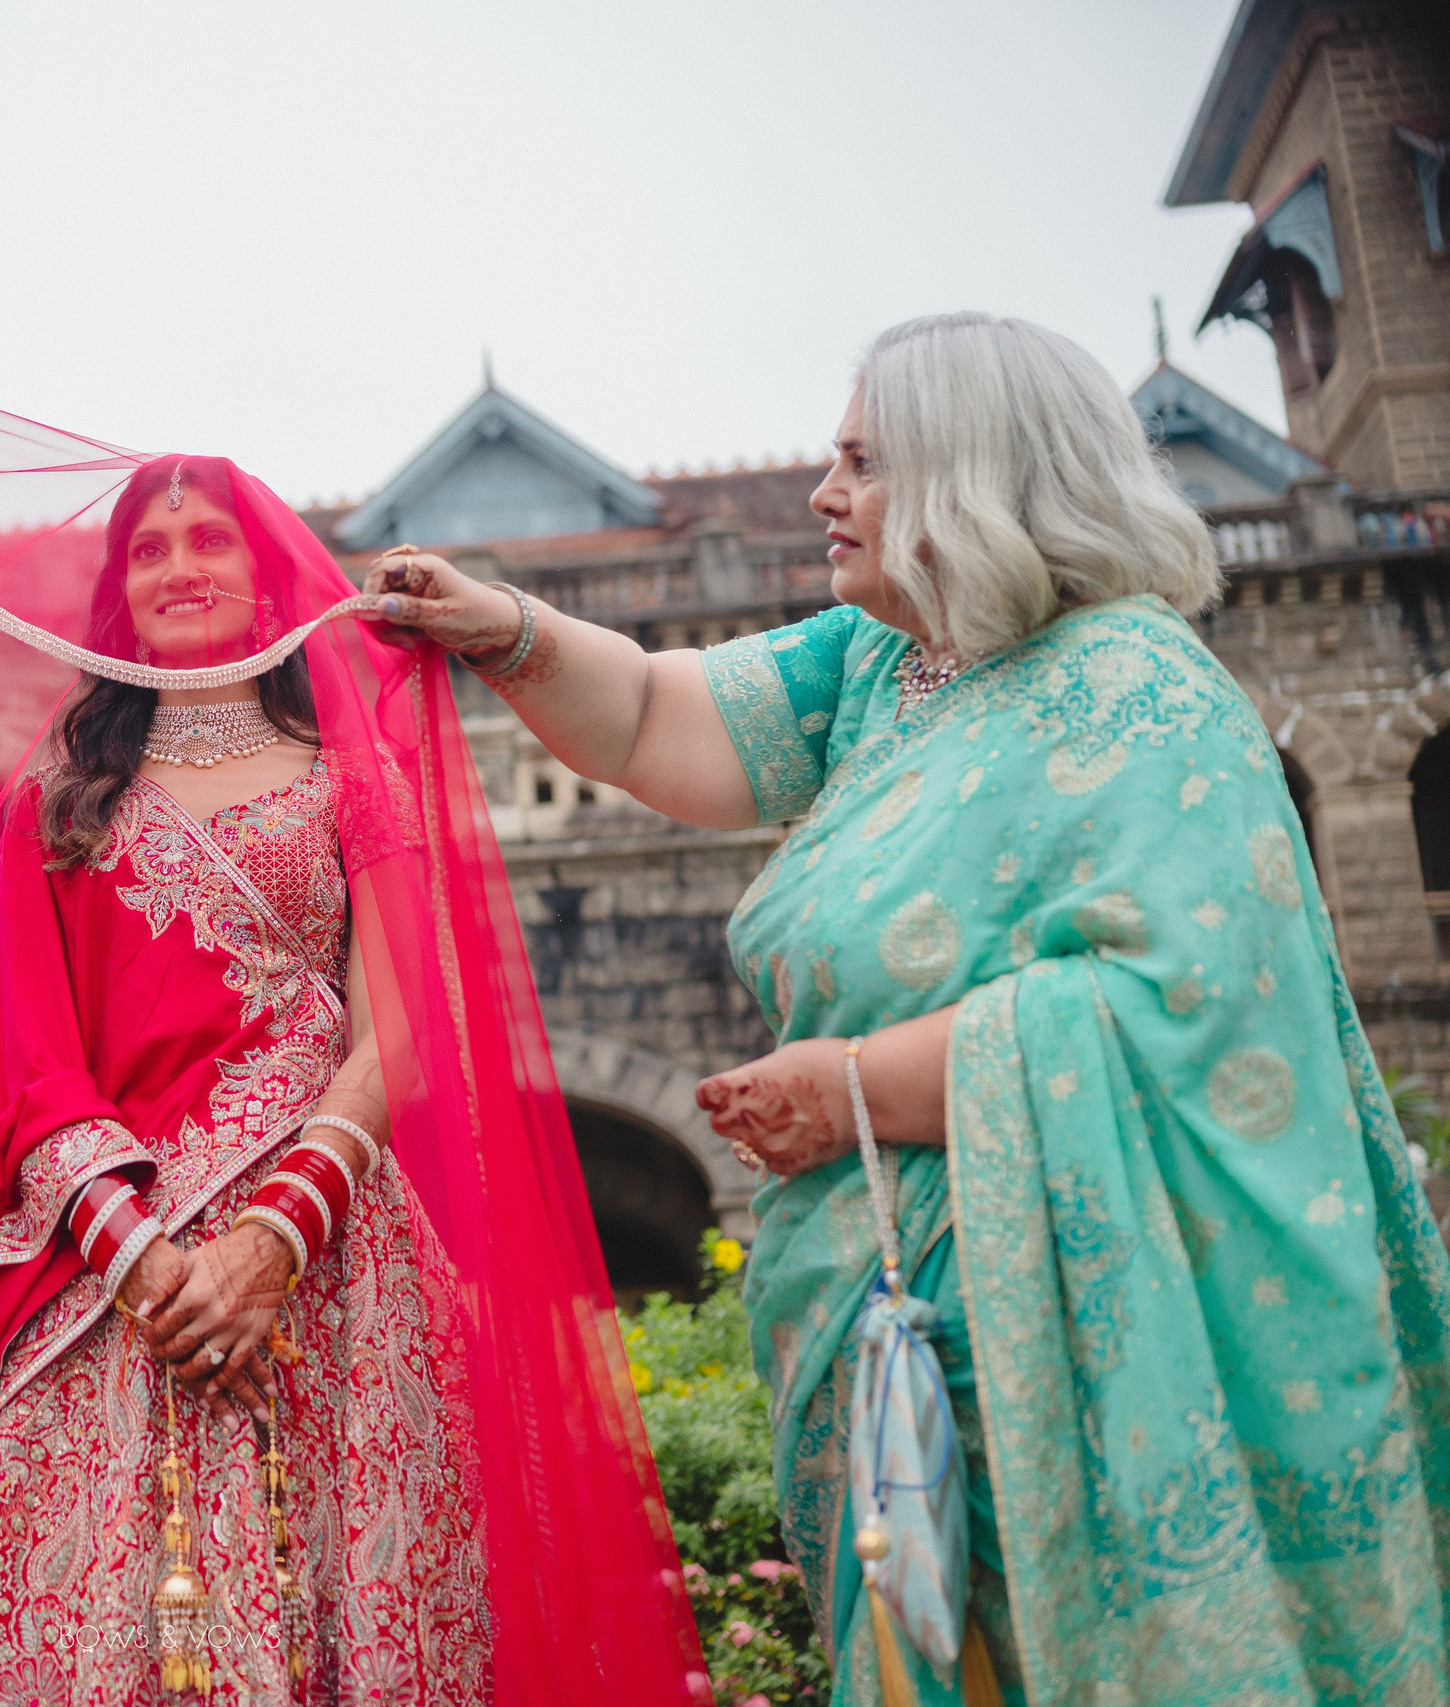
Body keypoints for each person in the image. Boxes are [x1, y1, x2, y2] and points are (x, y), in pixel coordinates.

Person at [365, 313, 1450, 1704]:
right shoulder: (880, 667)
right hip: (882, 1324)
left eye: (864, 463)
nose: (826, 495)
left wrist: (858, 1086)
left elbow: (1196, 1012)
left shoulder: (1138, 687)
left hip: (1051, 1320)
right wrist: (504, 625)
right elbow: (646, 716)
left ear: (973, 474)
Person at [0, 454, 698, 1705]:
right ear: (117, 593)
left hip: (333, 1263)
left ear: (266, 574)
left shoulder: (354, 780)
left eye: (210, 541)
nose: (182, 566)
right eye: (150, 549)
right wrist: (155, 1270)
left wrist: (269, 1240)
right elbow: (37, 1072)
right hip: (108, 1273)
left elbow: (398, 1036)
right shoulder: (58, 807)